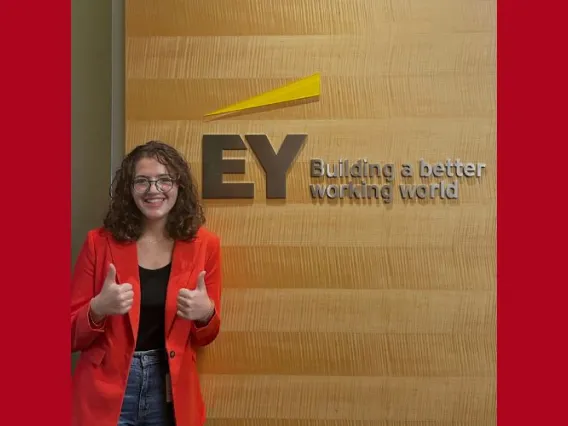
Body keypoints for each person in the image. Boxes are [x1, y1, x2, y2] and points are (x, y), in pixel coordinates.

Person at [71, 141, 222, 426]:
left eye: (164, 180)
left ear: (179, 186)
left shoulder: (206, 245)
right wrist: (97, 309)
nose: (154, 190)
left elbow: (206, 336)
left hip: (170, 390)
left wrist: (205, 314)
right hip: (106, 390)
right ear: (129, 189)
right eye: (142, 181)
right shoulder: (99, 243)